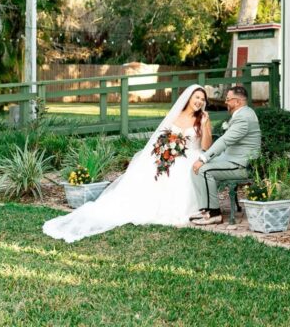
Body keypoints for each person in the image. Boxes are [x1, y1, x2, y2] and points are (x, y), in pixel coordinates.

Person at [42, 84, 212, 243]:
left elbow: (206, 146)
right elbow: (162, 138)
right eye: (197, 97)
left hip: (190, 157)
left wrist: (204, 126)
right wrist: (164, 151)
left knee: (179, 174)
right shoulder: (176, 115)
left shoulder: (203, 119)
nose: (199, 101)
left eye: (203, 99)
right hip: (167, 155)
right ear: (189, 98)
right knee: (148, 175)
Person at [190, 85, 261, 226]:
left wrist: (203, 158)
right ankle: (206, 209)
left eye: (228, 99)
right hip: (234, 159)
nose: (225, 102)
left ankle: (214, 214)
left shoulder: (243, 118)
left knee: (202, 170)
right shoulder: (244, 113)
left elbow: (224, 140)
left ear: (237, 101)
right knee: (200, 167)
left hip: (240, 166)